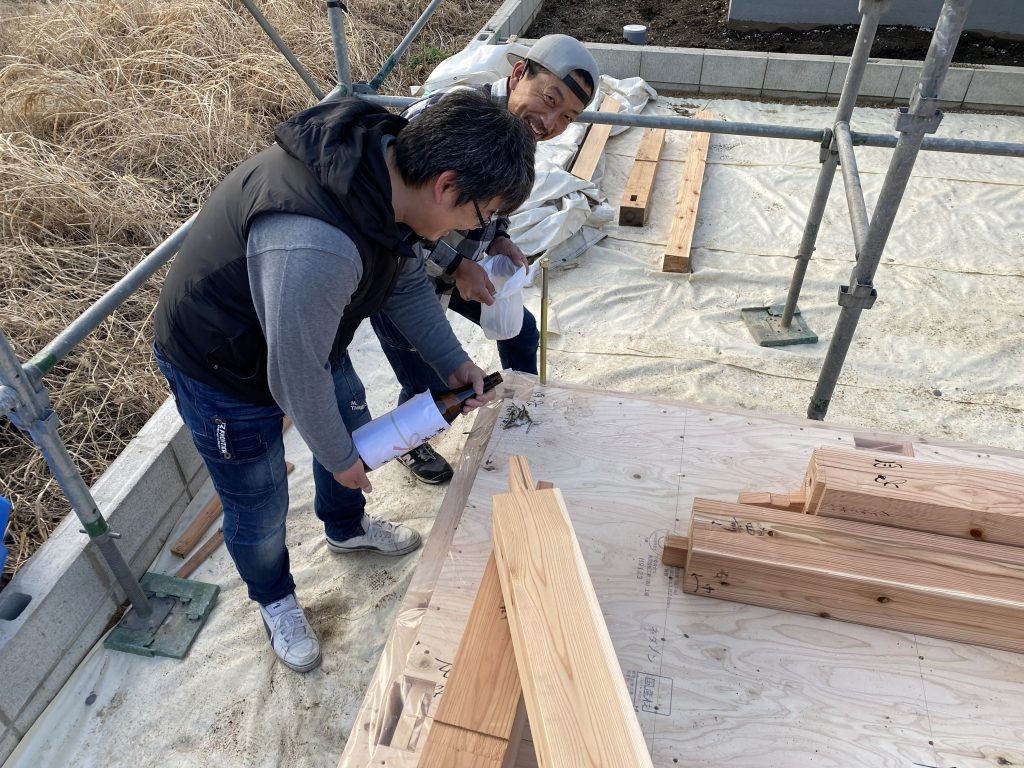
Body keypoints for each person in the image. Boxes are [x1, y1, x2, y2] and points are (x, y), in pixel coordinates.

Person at [153, 90, 535, 672]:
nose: (474, 230)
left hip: (304, 334)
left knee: (351, 419)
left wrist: (451, 360)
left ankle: (345, 527)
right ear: (447, 186)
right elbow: (292, 372)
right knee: (258, 502)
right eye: (480, 217)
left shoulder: (389, 172)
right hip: (223, 367)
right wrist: (337, 458)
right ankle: (274, 598)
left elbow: (403, 280)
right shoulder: (316, 243)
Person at [370, 34, 600, 485]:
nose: (549, 123)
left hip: (460, 266)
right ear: (518, 74)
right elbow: (392, 218)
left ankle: (520, 409)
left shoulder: (521, 130)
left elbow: (496, 198)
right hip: (398, 276)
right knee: (425, 377)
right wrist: (459, 266)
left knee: (521, 331)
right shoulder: (452, 118)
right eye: (549, 99)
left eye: (567, 118)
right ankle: (410, 443)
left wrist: (499, 239)